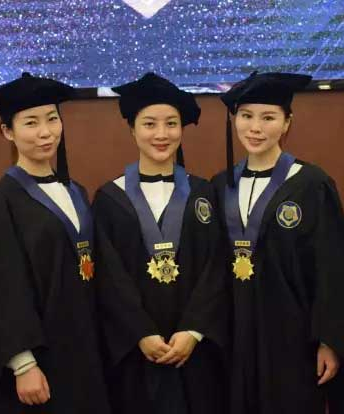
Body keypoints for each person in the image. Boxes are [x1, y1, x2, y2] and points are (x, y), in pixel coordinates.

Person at [0, 73, 111, 414]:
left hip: (83, 350)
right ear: (7, 131)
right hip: (39, 360)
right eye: (31, 123)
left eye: (52, 119)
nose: (45, 132)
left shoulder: (76, 193)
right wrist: (23, 364)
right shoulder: (0, 201)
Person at [211, 72, 344, 414]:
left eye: (268, 118)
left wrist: (329, 340)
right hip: (235, 335)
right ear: (234, 119)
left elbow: (332, 269)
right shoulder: (220, 186)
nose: (255, 128)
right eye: (246, 116)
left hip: (292, 337)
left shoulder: (311, 184)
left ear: (287, 122)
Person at [92, 73, 229, 414]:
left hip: (196, 353)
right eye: (149, 124)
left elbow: (216, 267)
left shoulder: (204, 193)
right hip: (136, 353)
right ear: (132, 129)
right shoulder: (110, 198)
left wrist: (194, 330)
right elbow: (109, 276)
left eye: (171, 123)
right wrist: (140, 332)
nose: (161, 134)